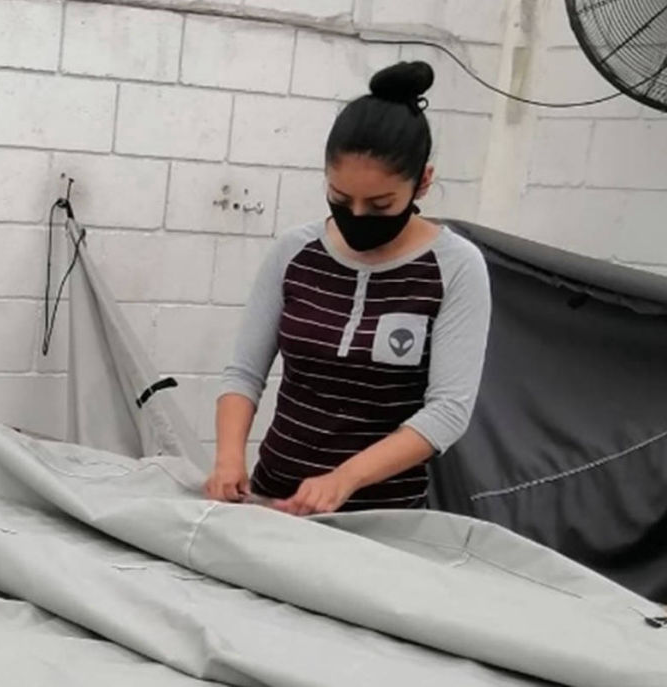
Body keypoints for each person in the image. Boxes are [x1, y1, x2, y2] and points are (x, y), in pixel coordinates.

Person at [205, 61, 491, 515]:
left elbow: (447, 411)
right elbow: (243, 374)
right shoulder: (294, 252)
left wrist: (345, 479)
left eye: (380, 205)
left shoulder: (456, 268)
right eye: (340, 199)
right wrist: (227, 458)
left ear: (423, 182)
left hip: (383, 518)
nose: (356, 216)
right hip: (273, 500)